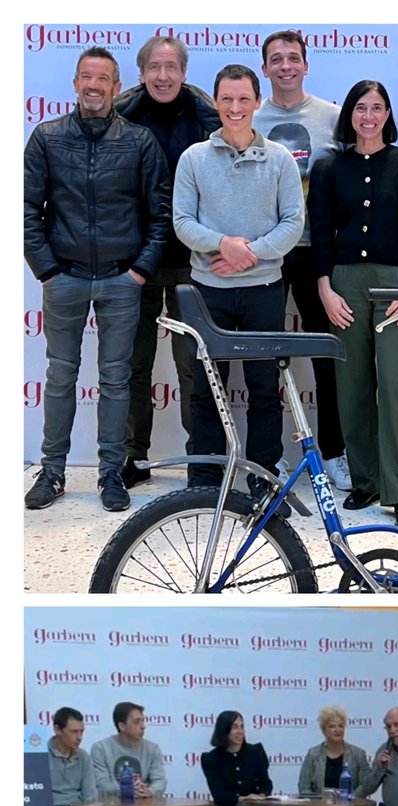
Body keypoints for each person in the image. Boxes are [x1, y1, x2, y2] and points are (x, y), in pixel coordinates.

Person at [24, 47, 171, 513]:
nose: (93, 85)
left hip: (120, 280)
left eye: (103, 78)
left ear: (115, 86)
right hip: (63, 277)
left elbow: (160, 215)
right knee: (61, 375)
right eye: (86, 77)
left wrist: (139, 271)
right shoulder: (46, 138)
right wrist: (46, 268)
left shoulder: (139, 141)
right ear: (75, 83)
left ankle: (111, 474)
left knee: (115, 380)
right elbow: (26, 209)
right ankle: (52, 473)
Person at [172, 63, 304, 502]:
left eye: (243, 99)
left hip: (264, 290)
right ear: (215, 102)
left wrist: (247, 255)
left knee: (265, 388)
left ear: (257, 102)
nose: (234, 108)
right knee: (207, 390)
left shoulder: (281, 160)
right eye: (226, 99)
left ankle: (262, 479)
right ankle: (204, 482)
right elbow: (182, 223)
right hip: (207, 292)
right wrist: (224, 244)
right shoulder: (193, 158)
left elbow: (293, 224)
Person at [309, 80, 398, 533]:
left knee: (395, 388)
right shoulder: (328, 169)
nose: (369, 116)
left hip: (397, 285)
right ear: (349, 114)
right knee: (352, 385)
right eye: (361, 108)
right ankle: (364, 480)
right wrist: (325, 287)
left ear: (388, 114)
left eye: (377, 107)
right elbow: (321, 234)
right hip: (344, 284)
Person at [114, 36, 220, 487]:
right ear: (141, 74)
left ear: (183, 71)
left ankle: (202, 460)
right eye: (154, 68)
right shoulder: (120, 115)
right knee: (132, 361)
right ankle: (132, 457)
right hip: (135, 259)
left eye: (171, 67)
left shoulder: (207, 116)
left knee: (192, 363)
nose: (163, 76)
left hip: (190, 260)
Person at [253, 30, 350, 492]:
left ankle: (335, 454)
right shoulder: (248, 118)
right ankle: (264, 464)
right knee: (262, 358)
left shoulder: (333, 118)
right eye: (277, 59)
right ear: (265, 68)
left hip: (318, 255)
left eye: (294, 58)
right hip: (266, 254)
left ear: (306, 65)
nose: (286, 66)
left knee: (327, 357)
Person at [90, 701, 174, 806]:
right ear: (121, 725)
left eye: (143, 721)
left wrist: (149, 791)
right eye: (137, 722)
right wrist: (126, 791)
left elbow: (160, 781)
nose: (143, 726)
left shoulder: (152, 748)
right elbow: (101, 784)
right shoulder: (101, 748)